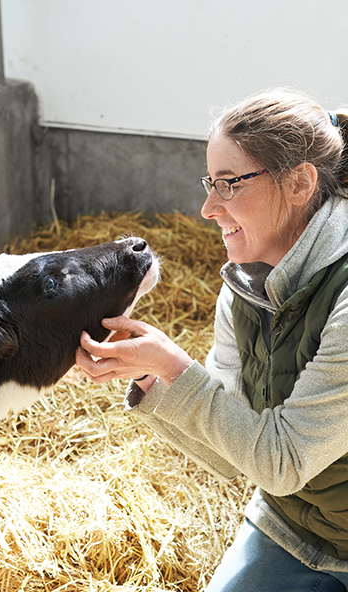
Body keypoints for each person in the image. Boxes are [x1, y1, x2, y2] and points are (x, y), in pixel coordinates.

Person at [75, 89, 348, 591]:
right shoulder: (244, 288)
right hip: (291, 529)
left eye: (228, 184)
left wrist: (177, 369)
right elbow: (231, 455)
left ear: (300, 183)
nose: (206, 208)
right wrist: (148, 374)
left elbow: (281, 462)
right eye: (209, 183)